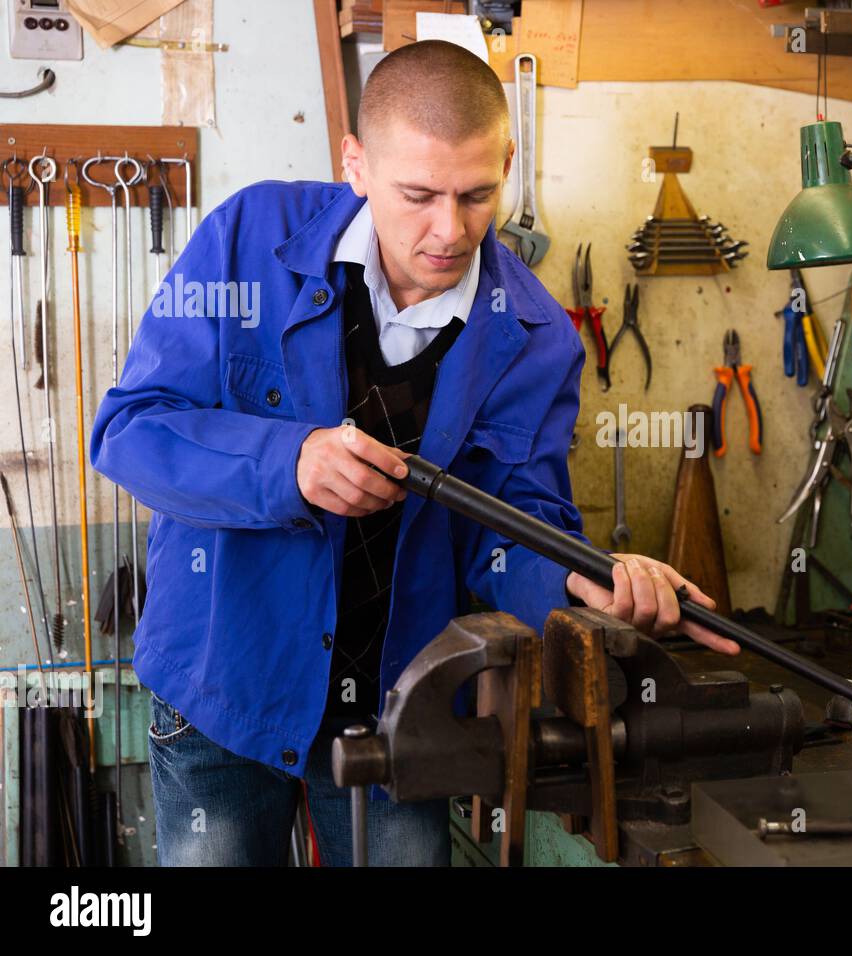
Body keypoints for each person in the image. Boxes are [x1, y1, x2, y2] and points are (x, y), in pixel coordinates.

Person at [90, 39, 736, 867]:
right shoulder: (247, 240)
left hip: (402, 707)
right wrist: (288, 465)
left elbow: (512, 531)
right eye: (418, 194)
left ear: (507, 164)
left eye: (477, 195)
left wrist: (581, 578)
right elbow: (131, 431)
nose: (450, 230)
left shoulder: (536, 338)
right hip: (223, 686)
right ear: (355, 164)